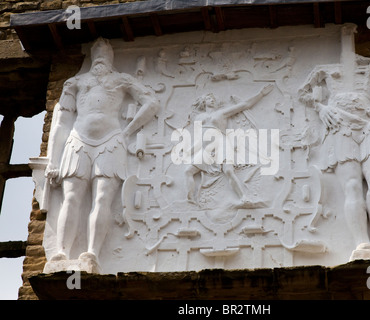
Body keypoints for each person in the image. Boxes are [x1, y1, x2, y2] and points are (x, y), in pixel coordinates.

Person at [45, 38, 160, 268]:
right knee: (71, 196)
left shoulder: (121, 80)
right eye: (96, 53)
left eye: (104, 53)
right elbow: (62, 121)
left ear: (111, 58)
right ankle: (60, 253)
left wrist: (128, 130)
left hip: (111, 141)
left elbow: (152, 102)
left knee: (102, 198)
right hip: (78, 141)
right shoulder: (74, 83)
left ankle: (91, 254)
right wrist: (53, 161)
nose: (100, 58)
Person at [300, 58, 370, 253]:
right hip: (339, 126)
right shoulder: (324, 67)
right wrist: (321, 108)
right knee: (352, 185)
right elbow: (302, 92)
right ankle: (362, 243)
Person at [184, 84, 274, 207]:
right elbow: (200, 137)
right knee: (188, 171)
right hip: (207, 148)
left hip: (222, 145)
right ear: (204, 101)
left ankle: (244, 197)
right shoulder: (199, 117)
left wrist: (261, 94)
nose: (213, 100)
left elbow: (245, 105)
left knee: (228, 171)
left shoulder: (221, 113)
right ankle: (190, 200)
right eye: (210, 98)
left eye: (214, 99)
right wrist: (190, 150)